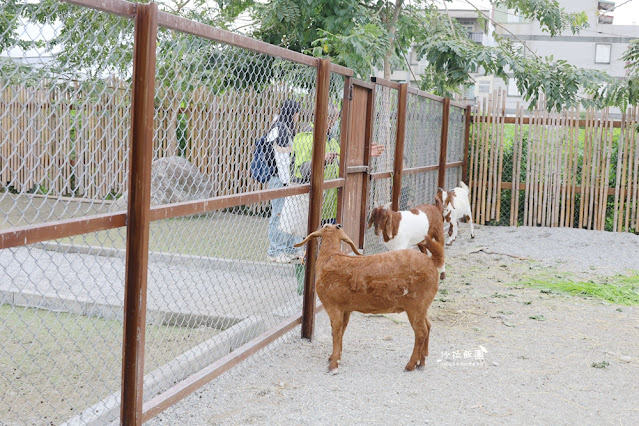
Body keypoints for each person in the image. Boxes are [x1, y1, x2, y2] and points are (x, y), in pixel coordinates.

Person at [291, 105, 386, 224]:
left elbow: (345, 162)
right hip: (312, 207)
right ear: (327, 119)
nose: (336, 123)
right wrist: (322, 161)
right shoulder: (306, 138)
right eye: (335, 119)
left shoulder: (332, 140)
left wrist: (364, 154)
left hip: (331, 206)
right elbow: (301, 171)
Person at [267, 99, 302, 263]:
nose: (298, 116)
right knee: (278, 215)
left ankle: (288, 249)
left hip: (285, 180)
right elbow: (280, 157)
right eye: (297, 113)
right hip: (279, 179)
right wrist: (286, 181)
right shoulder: (279, 128)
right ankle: (275, 251)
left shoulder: (285, 128)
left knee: (287, 216)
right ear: (293, 113)